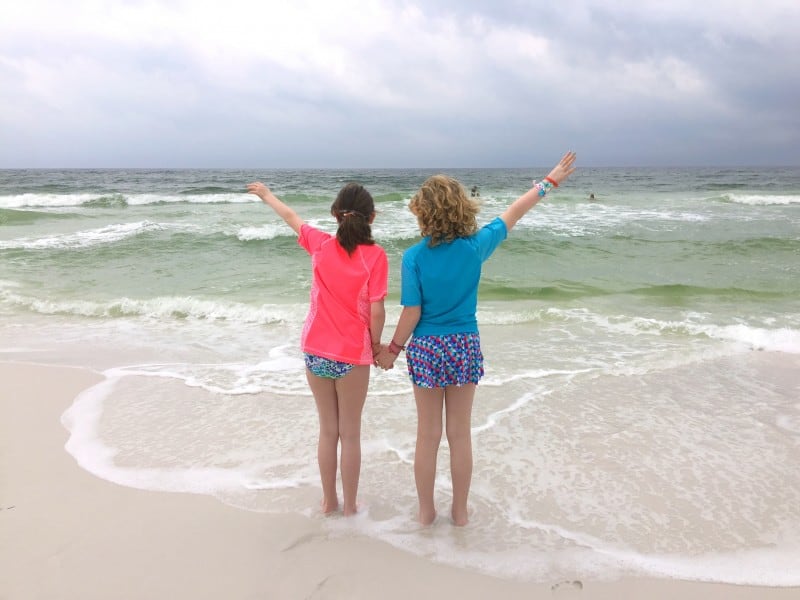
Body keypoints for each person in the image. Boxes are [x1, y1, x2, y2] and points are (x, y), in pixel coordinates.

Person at [375, 152, 577, 526]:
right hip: (464, 345)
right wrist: (549, 182)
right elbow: (514, 212)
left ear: (423, 213)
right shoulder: (475, 247)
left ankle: (425, 512)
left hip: (427, 349)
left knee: (428, 435)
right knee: (459, 434)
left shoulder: (414, 257)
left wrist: (391, 350)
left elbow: (412, 313)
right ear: (461, 208)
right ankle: (461, 512)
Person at [247, 181, 388, 517]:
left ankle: (329, 502)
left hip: (315, 351)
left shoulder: (321, 245)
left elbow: (291, 216)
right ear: (372, 217)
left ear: (335, 214)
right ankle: (351, 506)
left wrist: (267, 195)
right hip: (352, 355)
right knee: (349, 434)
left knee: (328, 430)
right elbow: (377, 308)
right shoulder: (375, 256)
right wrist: (377, 345)